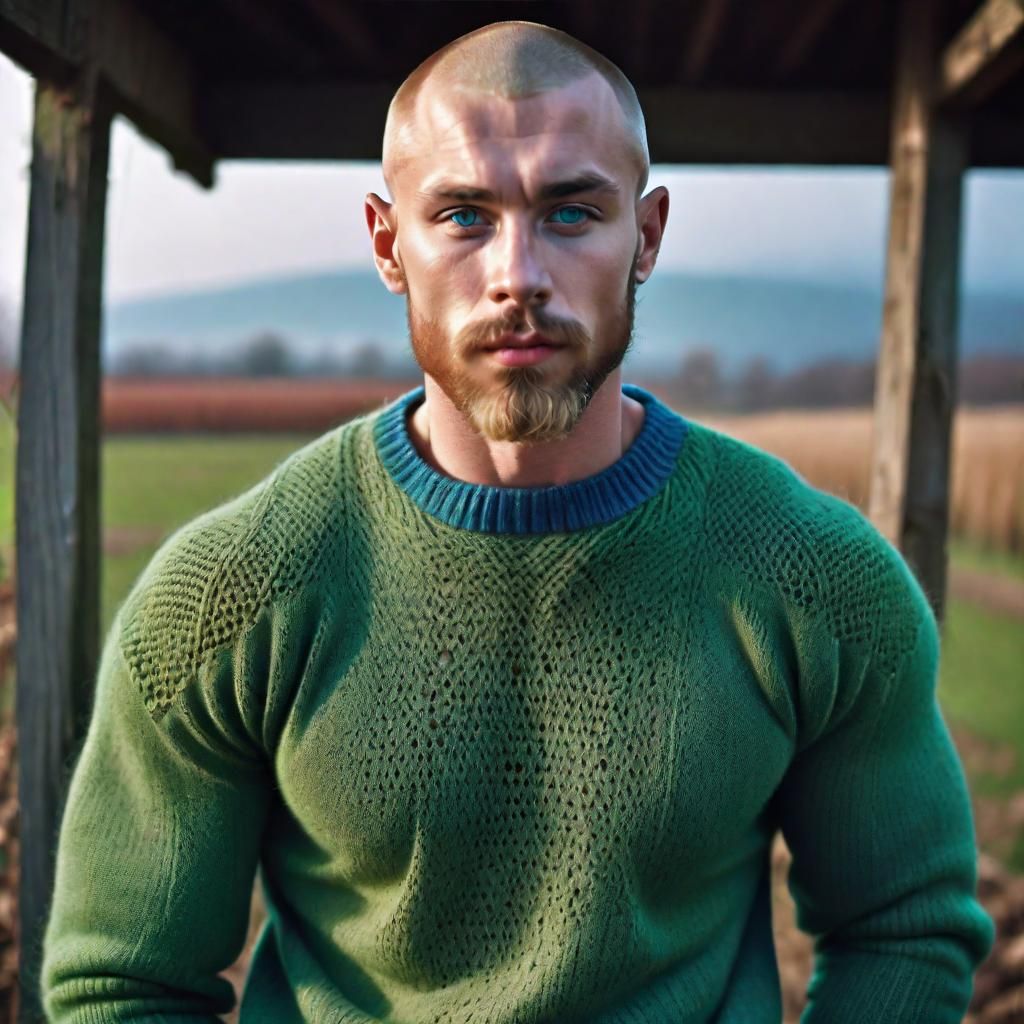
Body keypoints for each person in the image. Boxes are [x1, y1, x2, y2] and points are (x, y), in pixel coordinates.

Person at [41, 19, 994, 1024]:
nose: (517, 275)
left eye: (571, 212)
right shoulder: (230, 595)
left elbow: (903, 926)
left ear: (649, 234)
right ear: (385, 242)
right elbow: (122, 983)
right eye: (461, 214)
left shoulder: (816, 579)